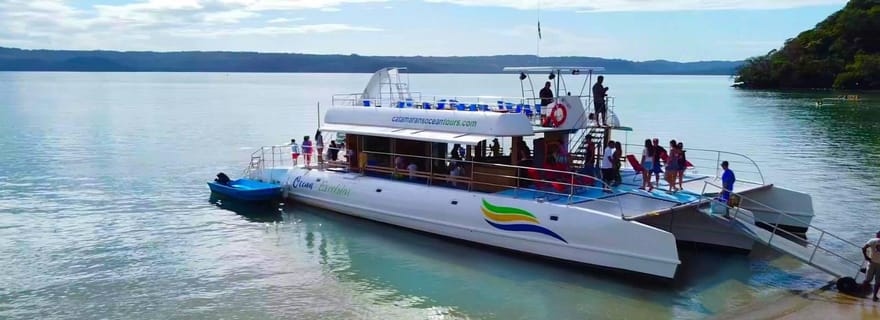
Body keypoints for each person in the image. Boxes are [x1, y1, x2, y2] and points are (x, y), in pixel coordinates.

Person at [862, 231, 880, 301]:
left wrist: (866, 257)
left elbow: (863, 248)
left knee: (867, 280)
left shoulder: (872, 240)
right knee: (878, 282)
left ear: (878, 235)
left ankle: (863, 293)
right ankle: (874, 296)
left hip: (871, 262)